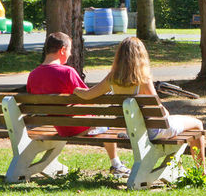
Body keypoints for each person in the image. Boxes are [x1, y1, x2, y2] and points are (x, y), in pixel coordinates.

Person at [74, 36, 206, 173]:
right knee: (197, 125)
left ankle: (178, 168)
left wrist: (74, 89)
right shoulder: (143, 80)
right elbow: (159, 110)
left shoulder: (111, 79)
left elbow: (87, 95)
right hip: (154, 132)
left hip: (132, 131)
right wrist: (166, 114)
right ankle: (202, 173)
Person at [26, 32, 130, 177]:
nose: (70, 54)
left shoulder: (33, 75)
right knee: (105, 122)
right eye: (69, 50)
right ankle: (116, 164)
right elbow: (89, 97)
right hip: (77, 126)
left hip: (59, 127)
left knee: (99, 120)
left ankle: (49, 162)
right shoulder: (67, 72)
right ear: (62, 50)